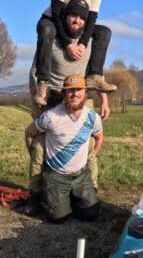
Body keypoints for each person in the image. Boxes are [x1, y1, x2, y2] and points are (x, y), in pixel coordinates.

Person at [25, 0, 110, 216]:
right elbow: (34, 74)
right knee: (39, 150)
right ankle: (36, 196)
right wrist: (35, 103)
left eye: (82, 17)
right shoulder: (51, 38)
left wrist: (104, 100)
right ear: (64, 17)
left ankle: (89, 192)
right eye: (73, 15)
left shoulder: (88, 42)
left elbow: (95, 76)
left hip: (79, 97)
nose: (77, 20)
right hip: (52, 97)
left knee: (88, 150)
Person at [34, 0, 116, 106]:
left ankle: (94, 76)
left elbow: (91, 22)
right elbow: (57, 17)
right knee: (47, 30)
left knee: (104, 32)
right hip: (52, 21)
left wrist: (82, 44)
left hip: (76, 25)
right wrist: (68, 44)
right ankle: (43, 83)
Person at [24, 74, 103, 223]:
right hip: (56, 175)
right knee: (58, 218)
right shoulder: (51, 117)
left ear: (85, 93)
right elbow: (29, 132)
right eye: (70, 90)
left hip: (80, 175)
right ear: (64, 93)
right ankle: (47, 195)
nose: (74, 94)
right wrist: (32, 151)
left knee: (91, 214)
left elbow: (99, 137)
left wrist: (90, 155)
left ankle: (67, 198)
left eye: (78, 89)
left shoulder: (93, 117)